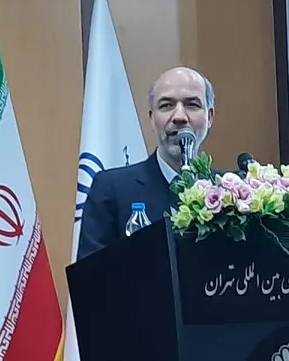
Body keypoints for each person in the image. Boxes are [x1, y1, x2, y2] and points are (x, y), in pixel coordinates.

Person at [76, 65, 215, 260]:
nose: (179, 117)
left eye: (192, 104)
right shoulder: (111, 189)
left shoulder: (232, 193)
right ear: (151, 118)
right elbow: (91, 274)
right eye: (166, 105)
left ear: (209, 117)